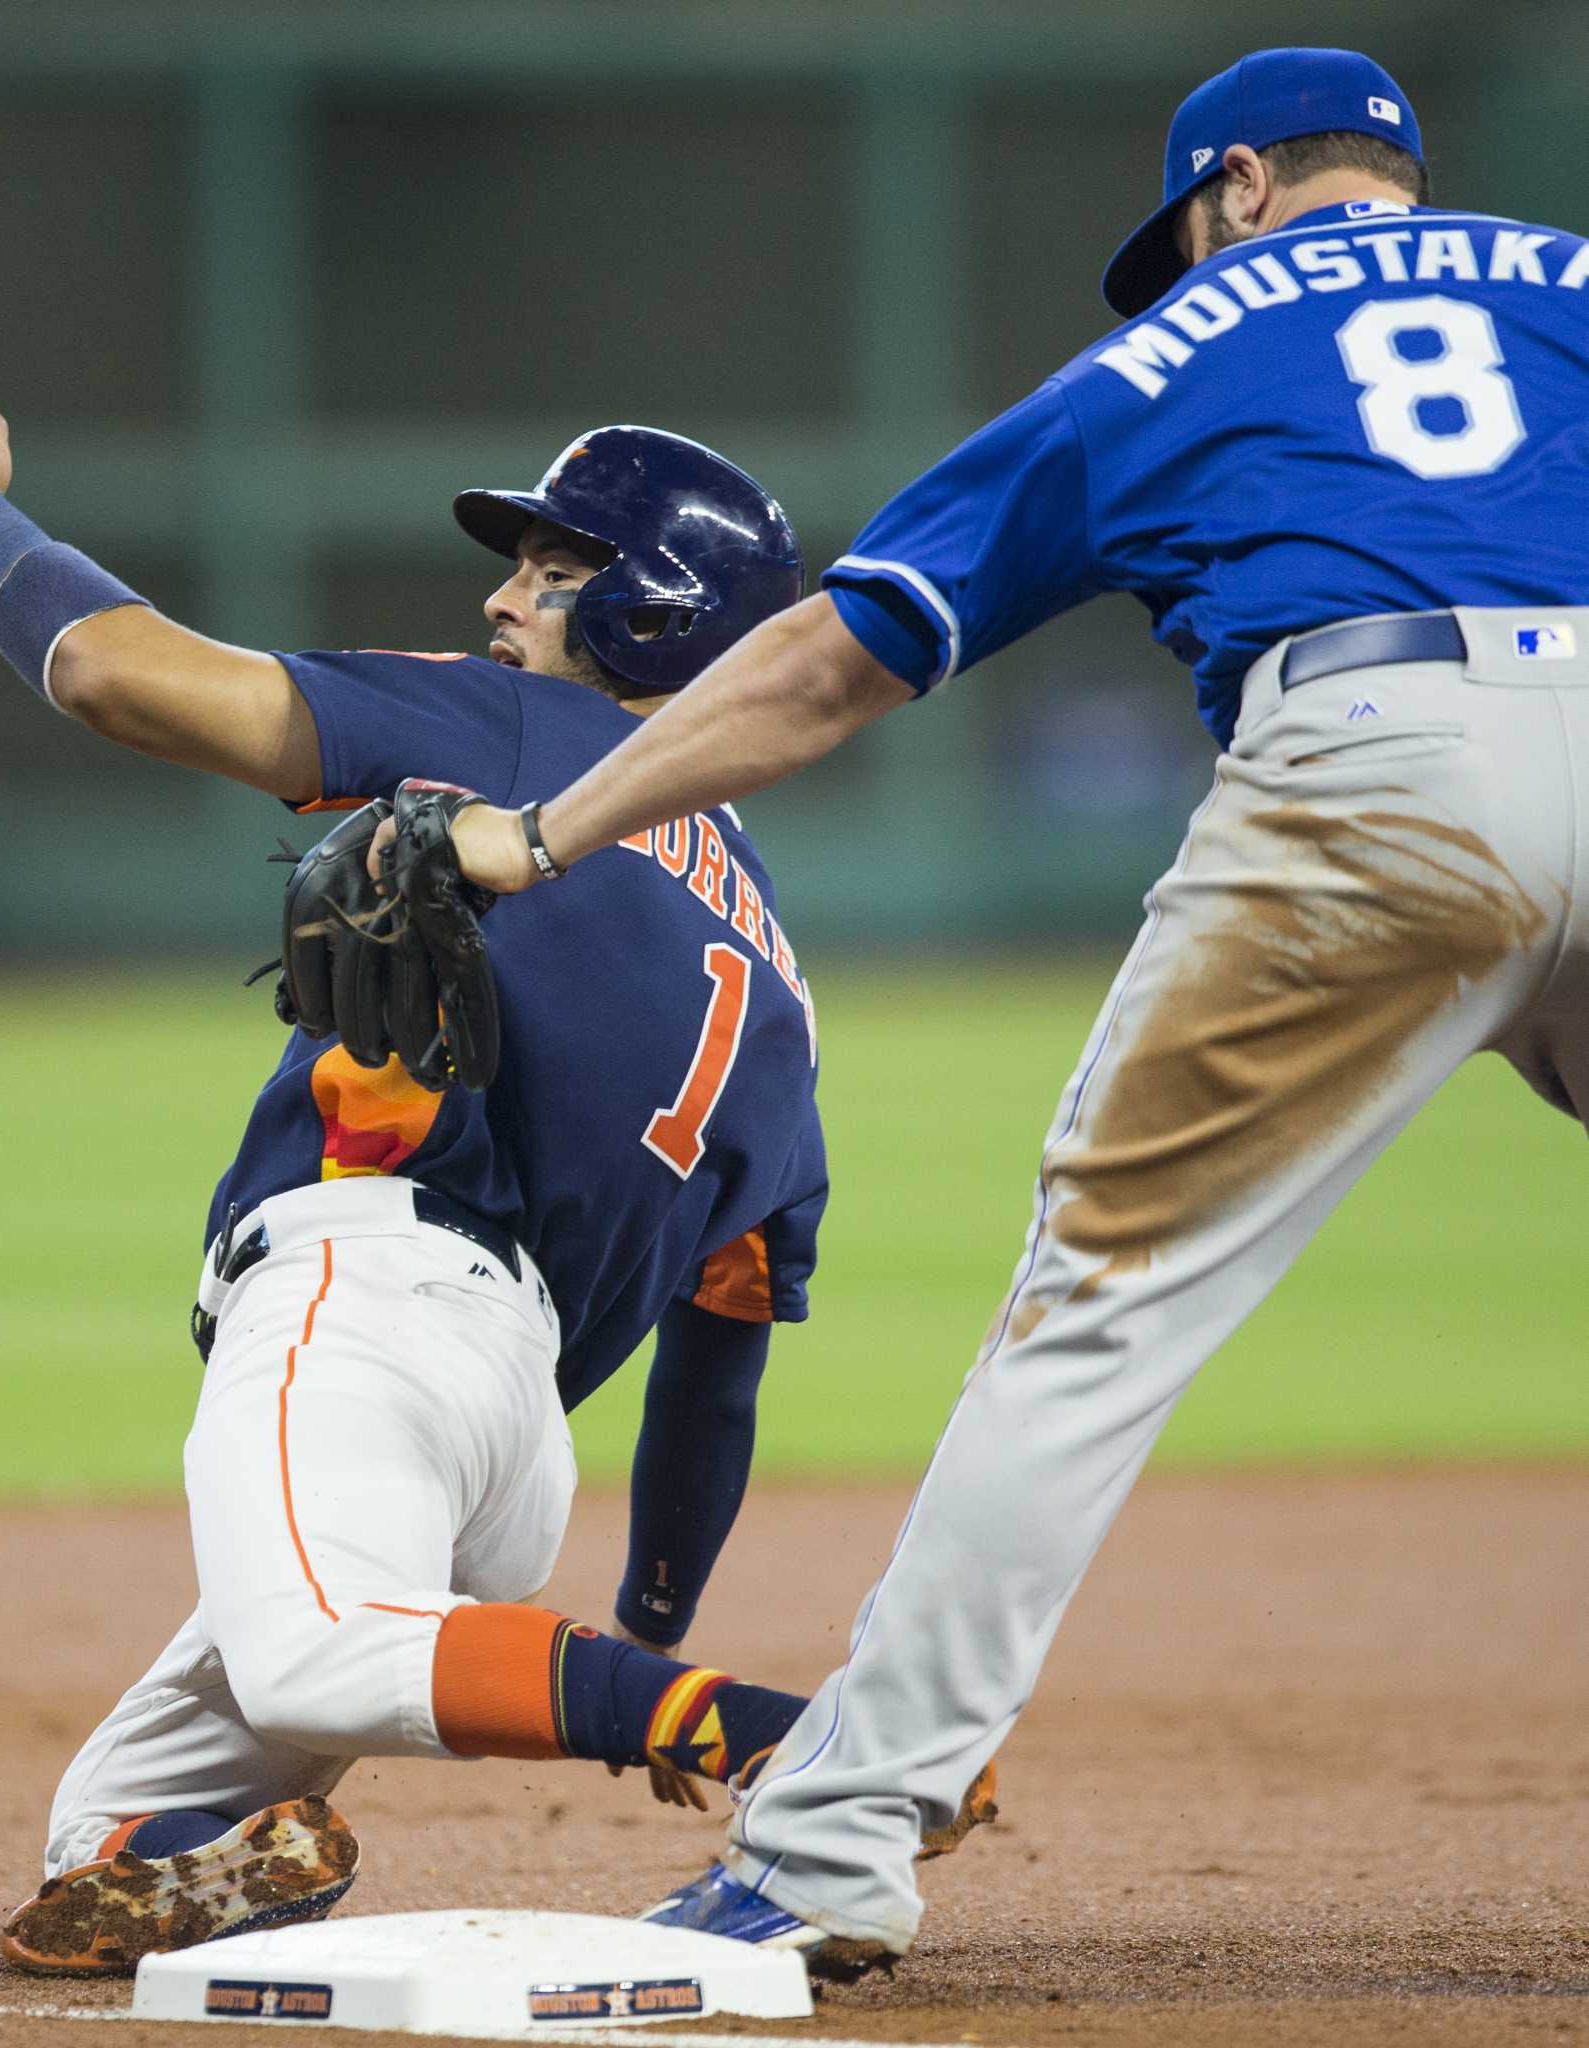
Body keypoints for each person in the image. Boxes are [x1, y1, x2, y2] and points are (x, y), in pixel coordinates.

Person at [428, 46, 1589, 1971]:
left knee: (1097, 1317)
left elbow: (832, 662)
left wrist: (540, 832)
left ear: (1231, 195)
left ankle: (824, 1855)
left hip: (1380, 767)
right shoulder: (1566, 282)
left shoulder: (1189, 341)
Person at [0, 394, 841, 1972]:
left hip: (366, 1313)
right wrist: (650, 1606)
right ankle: (307, 1809)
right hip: (512, 1451)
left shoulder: (530, 739)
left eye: (548, 566)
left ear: (651, 608)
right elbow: (719, 1372)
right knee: (109, 1847)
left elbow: (111, 671)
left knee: (322, 1658)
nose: (504, 599)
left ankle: (799, 1748)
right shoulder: (781, 975)